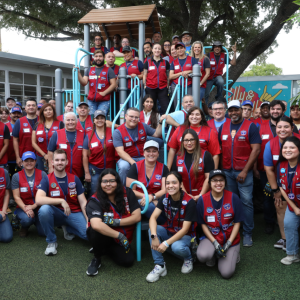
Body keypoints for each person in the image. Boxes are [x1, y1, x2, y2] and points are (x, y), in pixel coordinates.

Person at [218, 100, 261, 246]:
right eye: (231, 110)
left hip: (244, 172)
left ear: (242, 110)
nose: (233, 113)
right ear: (227, 112)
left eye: (236, 110)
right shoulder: (223, 126)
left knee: (247, 202)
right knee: (231, 202)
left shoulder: (251, 127)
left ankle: (248, 233)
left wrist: (245, 170)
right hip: (227, 172)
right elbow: (219, 149)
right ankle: (233, 231)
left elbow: (256, 150)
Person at [86, 169, 141, 276]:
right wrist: (119, 235)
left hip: (122, 239)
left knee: (127, 261)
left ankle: (104, 249)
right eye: (104, 181)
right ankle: (97, 257)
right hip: (107, 235)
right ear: (100, 183)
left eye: (112, 181)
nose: (108, 184)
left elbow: (137, 217)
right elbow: (97, 224)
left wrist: (116, 222)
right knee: (94, 229)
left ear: (118, 182)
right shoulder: (94, 200)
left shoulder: (128, 193)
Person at [146, 172, 197, 282]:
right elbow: (153, 218)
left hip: (186, 235)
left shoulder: (189, 202)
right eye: (168, 183)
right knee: (152, 229)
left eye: (174, 182)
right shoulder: (165, 197)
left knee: (176, 247)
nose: (170, 186)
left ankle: (189, 258)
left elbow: (185, 229)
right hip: (170, 230)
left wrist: (166, 243)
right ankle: (160, 265)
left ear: (180, 184)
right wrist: (154, 236)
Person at [36, 149, 88, 256]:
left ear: (67, 162)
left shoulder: (75, 179)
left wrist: (88, 220)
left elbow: (83, 202)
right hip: (56, 213)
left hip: (73, 212)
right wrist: (61, 200)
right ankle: (51, 241)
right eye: (57, 160)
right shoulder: (47, 179)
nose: (60, 162)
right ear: (52, 162)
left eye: (62, 160)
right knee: (44, 209)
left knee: (88, 235)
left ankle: (69, 228)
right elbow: (38, 199)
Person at [196, 169, 243, 278]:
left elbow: (237, 222)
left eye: (221, 180)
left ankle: (233, 253)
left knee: (227, 273)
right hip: (211, 237)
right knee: (202, 256)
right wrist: (215, 243)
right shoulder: (202, 200)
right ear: (209, 183)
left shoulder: (233, 197)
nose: (218, 183)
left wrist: (230, 242)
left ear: (225, 182)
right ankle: (213, 253)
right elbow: (202, 224)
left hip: (230, 238)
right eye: (214, 180)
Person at [264, 116, 300, 249]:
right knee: (280, 207)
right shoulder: (270, 144)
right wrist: (276, 191)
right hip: (281, 184)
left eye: (286, 127)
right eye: (279, 127)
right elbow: (268, 169)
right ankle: (284, 239)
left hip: (298, 182)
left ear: (292, 128)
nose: (282, 129)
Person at [113, 107, 163, 185]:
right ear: (126, 116)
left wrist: (160, 123)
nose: (134, 119)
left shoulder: (143, 126)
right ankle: (123, 191)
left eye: (136, 117)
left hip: (142, 156)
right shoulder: (118, 132)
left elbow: (156, 134)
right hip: (126, 159)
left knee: (152, 162)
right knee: (124, 167)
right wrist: (133, 163)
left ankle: (150, 189)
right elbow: (120, 152)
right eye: (131, 116)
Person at [126, 140, 168, 222]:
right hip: (140, 199)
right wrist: (147, 197)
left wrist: (152, 197)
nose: (151, 154)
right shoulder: (135, 167)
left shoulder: (164, 168)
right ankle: (165, 223)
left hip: (157, 198)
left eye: (154, 151)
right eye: (148, 151)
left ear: (158, 153)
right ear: (143, 153)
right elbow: (130, 190)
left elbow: (165, 190)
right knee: (149, 207)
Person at [171, 129, 214, 200]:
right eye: (186, 140)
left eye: (192, 140)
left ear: (196, 141)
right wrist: (186, 195)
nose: (189, 143)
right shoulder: (177, 156)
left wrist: (200, 196)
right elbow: (176, 179)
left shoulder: (206, 155)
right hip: (183, 196)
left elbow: (208, 178)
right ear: (182, 142)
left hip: (203, 196)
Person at [12, 151, 47, 237]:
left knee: (43, 233)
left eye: (31, 160)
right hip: (23, 206)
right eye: (26, 161)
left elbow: (45, 195)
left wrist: (34, 206)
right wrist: (26, 208)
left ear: (35, 161)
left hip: (39, 207)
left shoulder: (42, 174)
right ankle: (25, 226)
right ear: (22, 162)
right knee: (27, 220)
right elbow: (16, 197)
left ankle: (37, 220)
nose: (29, 163)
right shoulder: (16, 176)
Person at [276, 137, 300, 264]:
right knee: (289, 224)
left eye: (292, 147)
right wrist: (294, 208)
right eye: (285, 147)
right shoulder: (281, 165)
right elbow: (282, 188)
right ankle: (293, 254)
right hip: (293, 204)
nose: (288, 150)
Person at [83, 110, 115, 196]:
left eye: (102, 118)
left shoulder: (112, 132)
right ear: (94, 120)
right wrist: (87, 173)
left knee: (110, 193)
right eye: (97, 118)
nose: (99, 120)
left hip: (110, 170)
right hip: (95, 170)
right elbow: (85, 156)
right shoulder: (89, 134)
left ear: (105, 120)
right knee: (94, 193)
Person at [77, 50, 117, 117]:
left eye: (100, 56)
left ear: (104, 57)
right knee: (92, 118)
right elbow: (84, 83)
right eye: (96, 56)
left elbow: (114, 84)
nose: (98, 58)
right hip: (91, 100)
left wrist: (104, 93)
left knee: (100, 117)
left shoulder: (109, 70)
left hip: (104, 100)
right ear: (93, 58)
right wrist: (78, 73)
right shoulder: (89, 69)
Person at [47, 112, 84, 179]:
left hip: (78, 173)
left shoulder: (83, 135)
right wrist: (50, 167)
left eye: (72, 120)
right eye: (68, 120)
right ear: (64, 121)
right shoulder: (56, 134)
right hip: (60, 172)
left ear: (76, 121)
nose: (70, 122)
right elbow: (50, 152)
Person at [32, 103, 64, 172]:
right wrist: (44, 155)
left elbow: (63, 140)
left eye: (50, 109)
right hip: (41, 157)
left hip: (57, 158)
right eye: (45, 110)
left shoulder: (60, 124)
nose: (48, 111)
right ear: (42, 113)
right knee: (41, 178)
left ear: (53, 111)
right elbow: (33, 142)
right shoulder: (37, 124)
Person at [143, 43, 170, 115]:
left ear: (161, 51)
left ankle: (165, 125)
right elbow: (144, 74)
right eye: (155, 48)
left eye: (159, 49)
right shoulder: (147, 62)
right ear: (152, 50)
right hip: (150, 88)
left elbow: (168, 74)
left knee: (165, 107)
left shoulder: (165, 62)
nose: (157, 50)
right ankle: (152, 124)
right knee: (151, 107)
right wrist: (144, 85)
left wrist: (167, 84)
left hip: (163, 88)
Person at [169, 42, 198, 108]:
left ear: (185, 49)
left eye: (181, 48)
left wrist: (188, 71)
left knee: (189, 105)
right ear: (176, 51)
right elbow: (170, 76)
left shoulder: (192, 59)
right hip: (177, 86)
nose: (180, 50)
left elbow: (198, 71)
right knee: (177, 105)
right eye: (178, 49)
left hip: (189, 85)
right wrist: (181, 73)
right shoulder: (174, 62)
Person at [13, 98, 38, 168]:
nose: (31, 107)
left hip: (40, 157)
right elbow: (15, 139)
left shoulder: (42, 120)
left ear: (36, 108)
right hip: (25, 157)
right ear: (25, 108)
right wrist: (17, 157)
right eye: (29, 105)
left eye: (33, 105)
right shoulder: (19, 121)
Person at [7, 106, 23, 183]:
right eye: (14, 113)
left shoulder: (24, 125)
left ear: (21, 114)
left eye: (18, 113)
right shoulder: (6, 126)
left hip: (22, 158)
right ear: (10, 114)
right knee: (9, 181)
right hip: (8, 159)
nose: (16, 115)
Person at [0, 167, 12, 243]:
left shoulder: (4, 172)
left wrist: (4, 211)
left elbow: (6, 194)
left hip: (1, 211)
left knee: (6, 237)